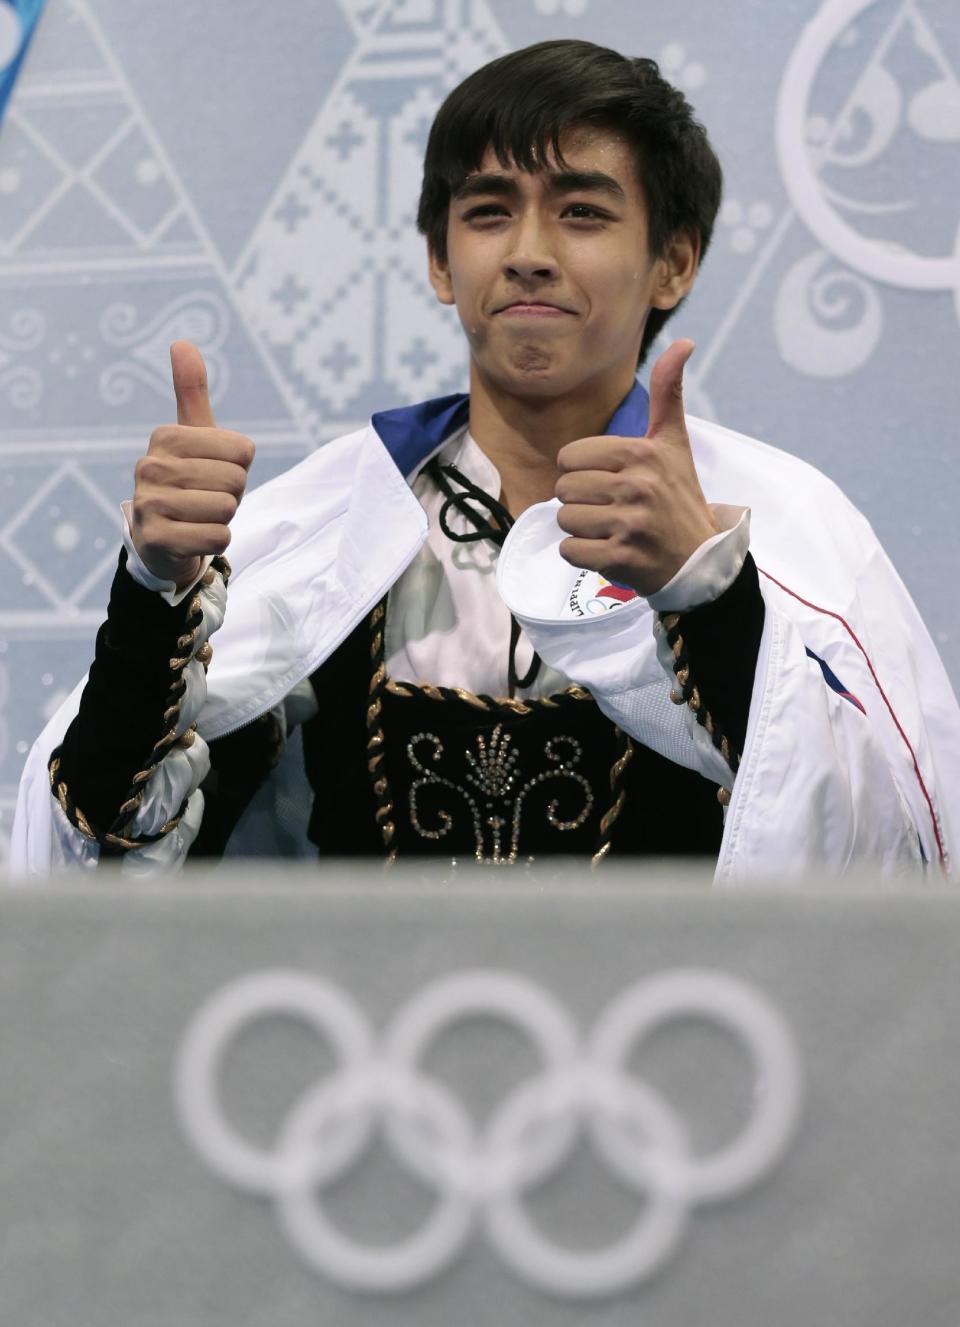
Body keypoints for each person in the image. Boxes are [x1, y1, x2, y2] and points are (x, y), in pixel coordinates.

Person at [11, 39, 960, 879]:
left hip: (675, 1066)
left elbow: (883, 863)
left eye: (583, 212)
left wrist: (707, 592)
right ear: (439, 258)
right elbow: (101, 855)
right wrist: (153, 593)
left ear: (675, 260)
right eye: (489, 211)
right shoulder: (323, 532)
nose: (530, 253)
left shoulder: (787, 527)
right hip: (366, 1064)